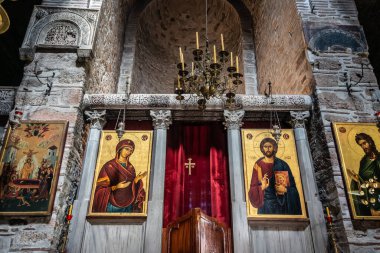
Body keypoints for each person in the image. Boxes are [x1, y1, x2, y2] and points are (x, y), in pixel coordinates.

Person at [248, 138, 301, 215]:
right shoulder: (258, 165)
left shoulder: (282, 164)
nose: (268, 149)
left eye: (270, 146)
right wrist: (261, 187)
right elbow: (252, 188)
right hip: (265, 206)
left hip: (281, 205)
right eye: (265, 146)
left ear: (274, 148)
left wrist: (286, 190)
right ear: (262, 149)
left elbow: (293, 189)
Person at [92, 139, 147, 213]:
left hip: (128, 202)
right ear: (120, 149)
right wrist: (116, 187)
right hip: (112, 203)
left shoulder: (130, 167)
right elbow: (100, 188)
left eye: (131, 151)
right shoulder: (109, 166)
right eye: (126, 149)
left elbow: (132, 186)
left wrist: (136, 180)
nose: (128, 152)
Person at [348, 133, 380, 216]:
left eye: (364, 143)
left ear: (370, 142)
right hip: (368, 198)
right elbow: (362, 179)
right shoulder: (364, 161)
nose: (363, 147)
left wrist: (374, 184)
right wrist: (356, 178)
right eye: (361, 145)